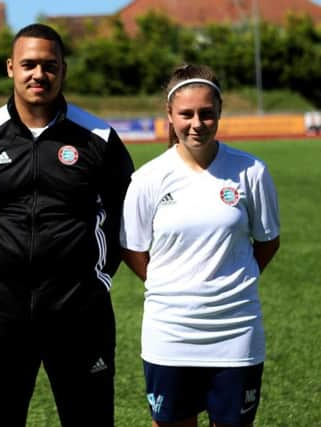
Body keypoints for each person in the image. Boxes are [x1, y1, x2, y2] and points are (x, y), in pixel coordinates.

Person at [0, 23, 134, 427]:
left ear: (63, 70)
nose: (39, 74)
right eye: (29, 64)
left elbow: (124, 218)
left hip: (80, 315)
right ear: (10, 67)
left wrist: (93, 280)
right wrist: (0, 265)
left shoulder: (99, 139)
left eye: (49, 66)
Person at [120, 64, 281, 427]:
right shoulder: (147, 179)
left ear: (219, 113)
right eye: (186, 114)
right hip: (170, 334)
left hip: (236, 332)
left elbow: (268, 242)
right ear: (169, 116)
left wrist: (232, 283)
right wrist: (168, 286)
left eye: (207, 113)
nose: (197, 123)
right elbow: (132, 248)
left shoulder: (251, 171)